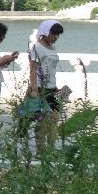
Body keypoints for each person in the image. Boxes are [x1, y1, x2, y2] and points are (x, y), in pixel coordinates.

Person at [28, 19, 65, 149]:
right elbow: (33, 69)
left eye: (58, 35)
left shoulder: (53, 47)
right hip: (40, 88)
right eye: (53, 34)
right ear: (45, 32)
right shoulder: (36, 47)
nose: (56, 37)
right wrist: (34, 90)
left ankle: (51, 149)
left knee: (54, 119)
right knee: (41, 122)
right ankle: (41, 151)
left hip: (52, 87)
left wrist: (57, 87)